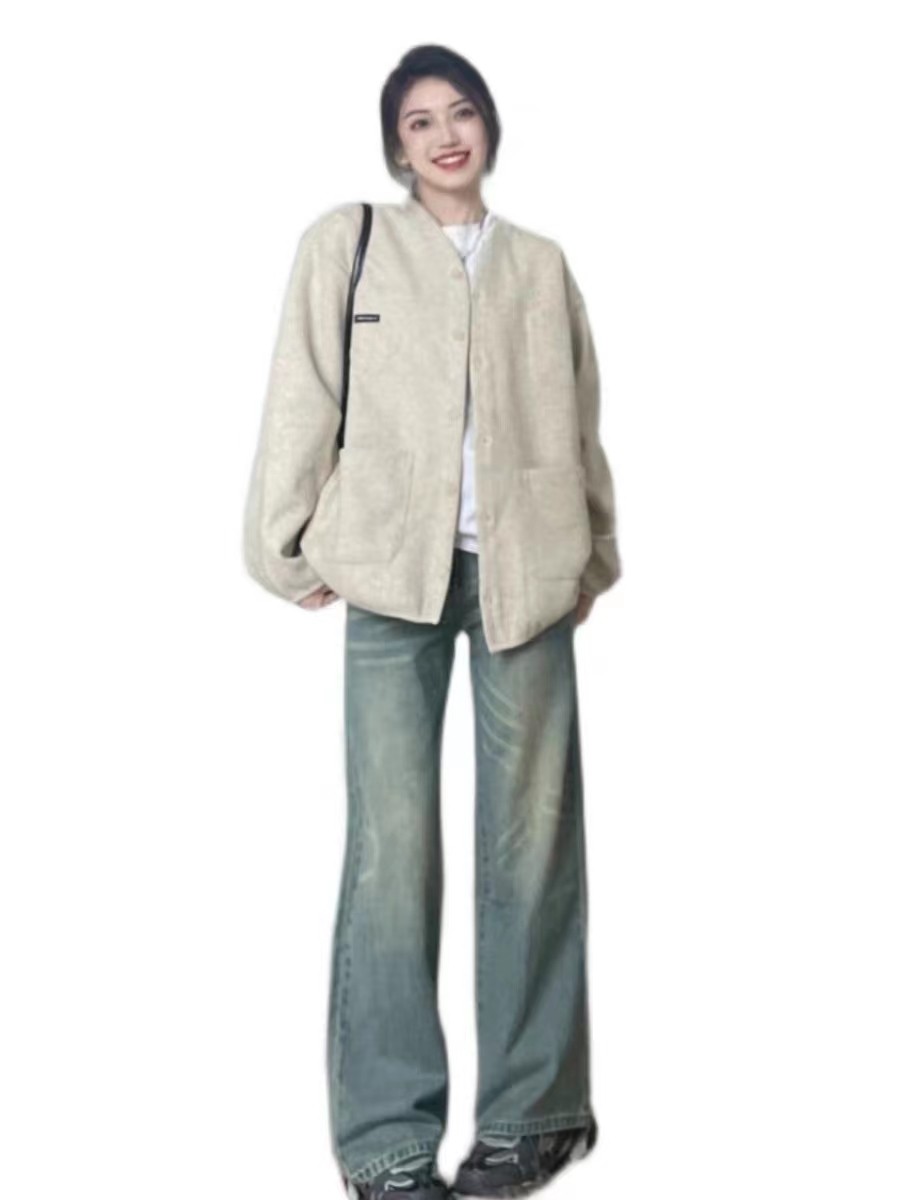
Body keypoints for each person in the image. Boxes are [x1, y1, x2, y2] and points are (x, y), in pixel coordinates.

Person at [242, 43, 622, 1200]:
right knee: (391, 854)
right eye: (419, 122)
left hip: (527, 576)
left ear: (489, 126)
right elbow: (304, 390)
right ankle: (389, 1140)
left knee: (534, 845)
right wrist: (283, 541)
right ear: (395, 145)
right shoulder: (348, 243)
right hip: (390, 576)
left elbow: (580, 419)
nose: (446, 135)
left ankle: (536, 1117)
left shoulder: (540, 265)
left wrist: (594, 549)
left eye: (462, 113)